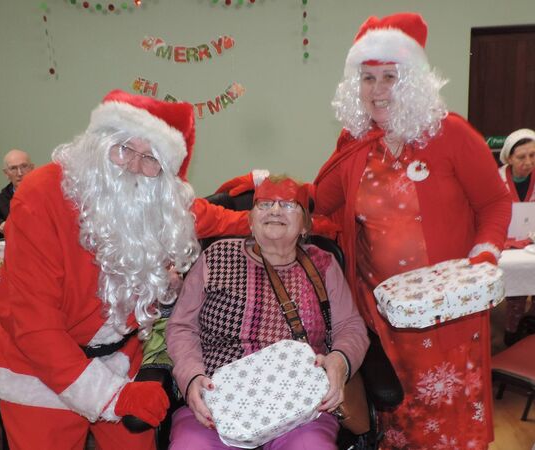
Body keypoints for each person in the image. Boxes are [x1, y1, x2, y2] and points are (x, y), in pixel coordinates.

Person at [313, 13, 511, 449]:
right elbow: (318, 204)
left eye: (390, 77)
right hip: (381, 315)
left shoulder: (451, 134)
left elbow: (495, 201)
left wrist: (483, 254)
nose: (377, 89)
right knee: (395, 417)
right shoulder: (356, 143)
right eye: (368, 78)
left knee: (448, 418)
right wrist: (268, 193)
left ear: (413, 81)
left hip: (447, 312)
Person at [0, 90, 200, 450]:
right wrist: (108, 398)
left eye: (150, 158)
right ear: (98, 143)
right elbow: (32, 320)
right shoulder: (41, 194)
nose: (133, 165)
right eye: (124, 148)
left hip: (120, 359)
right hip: (39, 370)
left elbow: (210, 217)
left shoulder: (158, 204)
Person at [166, 176, 369, 449]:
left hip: (300, 406)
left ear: (305, 225)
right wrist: (192, 377)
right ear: (250, 220)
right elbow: (182, 327)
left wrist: (340, 361)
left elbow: (351, 328)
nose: (274, 210)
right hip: (218, 403)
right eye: (264, 204)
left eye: (287, 204)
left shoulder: (324, 264)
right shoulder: (216, 256)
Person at [498, 128, 535, 346]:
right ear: (509, 158)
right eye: (521, 157)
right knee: (517, 285)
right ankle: (512, 333)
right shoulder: (495, 180)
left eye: (533, 155)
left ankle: (530, 323)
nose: (528, 162)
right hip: (504, 242)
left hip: (531, 241)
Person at [0, 149, 34, 249]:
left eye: (24, 166)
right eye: (13, 168)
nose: (20, 173)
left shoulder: (47, 195)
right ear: (6, 173)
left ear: (32, 168)